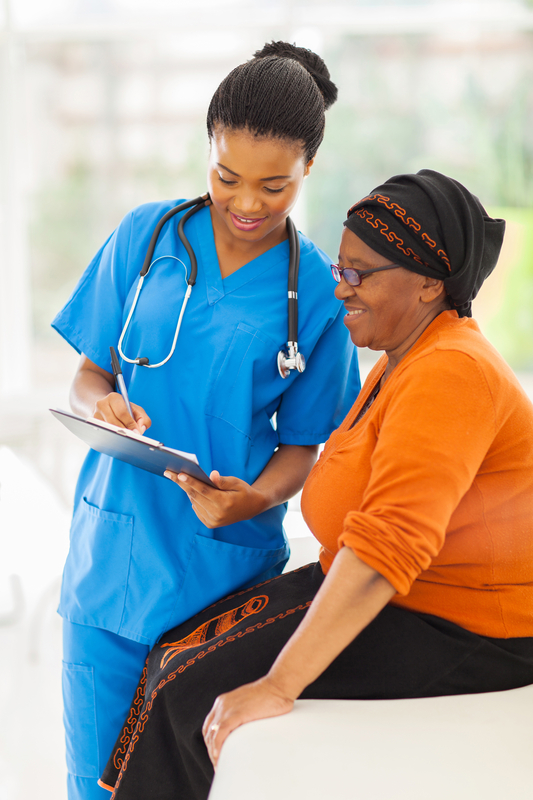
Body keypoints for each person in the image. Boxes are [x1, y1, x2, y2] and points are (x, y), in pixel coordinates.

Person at [98, 169, 533, 800]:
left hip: (459, 626)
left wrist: (277, 686)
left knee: (186, 692)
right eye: (340, 267)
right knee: (175, 652)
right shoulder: (405, 357)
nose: (339, 288)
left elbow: (389, 546)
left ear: (430, 285)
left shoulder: (452, 372)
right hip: (391, 594)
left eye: (359, 275)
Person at [52, 42, 361, 800]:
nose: (248, 203)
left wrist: (256, 498)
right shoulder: (145, 237)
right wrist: (105, 406)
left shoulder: (316, 292)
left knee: (193, 785)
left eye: (273, 185)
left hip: (220, 581)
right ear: (208, 151)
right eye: (226, 177)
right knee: (93, 786)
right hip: (111, 568)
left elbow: (304, 447)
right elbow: (91, 373)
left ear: (307, 170)